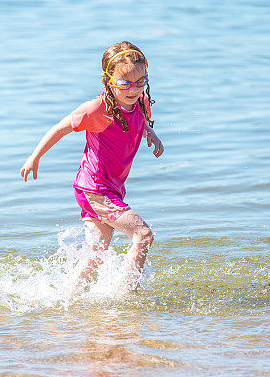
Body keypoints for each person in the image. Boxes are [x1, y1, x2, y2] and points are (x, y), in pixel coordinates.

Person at [20, 42, 164, 292]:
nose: (134, 89)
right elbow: (59, 129)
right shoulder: (97, 109)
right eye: (125, 83)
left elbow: (137, 121)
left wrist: (150, 133)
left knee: (96, 254)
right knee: (143, 235)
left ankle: (67, 297)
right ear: (107, 80)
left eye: (141, 81)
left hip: (109, 188)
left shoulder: (139, 101)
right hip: (96, 188)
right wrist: (34, 157)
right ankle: (126, 296)